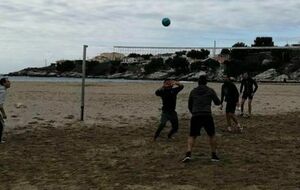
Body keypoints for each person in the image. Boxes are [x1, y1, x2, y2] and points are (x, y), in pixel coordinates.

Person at [182, 75, 221, 162]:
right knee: (211, 135)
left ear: (198, 82)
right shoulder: (210, 90)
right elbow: (217, 102)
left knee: (192, 135)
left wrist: (193, 112)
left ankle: (188, 154)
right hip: (207, 114)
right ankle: (214, 155)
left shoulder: (193, 91)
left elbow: (189, 105)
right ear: (206, 82)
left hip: (196, 114)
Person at [0, 78, 11, 144]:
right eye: (8, 81)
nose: (10, 83)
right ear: (4, 83)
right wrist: (4, 114)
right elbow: (0, 105)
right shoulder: (2, 91)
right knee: (1, 125)